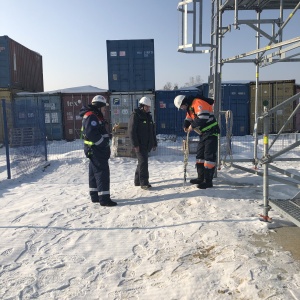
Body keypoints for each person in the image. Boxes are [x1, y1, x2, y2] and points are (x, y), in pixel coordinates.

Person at [174, 94, 220, 189]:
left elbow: (203, 117)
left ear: (184, 103)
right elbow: (188, 118)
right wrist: (185, 125)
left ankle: (208, 181)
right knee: (200, 156)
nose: (182, 108)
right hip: (204, 134)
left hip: (211, 132)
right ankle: (201, 177)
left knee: (208, 157)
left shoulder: (197, 102)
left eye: (182, 106)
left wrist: (192, 126)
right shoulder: (190, 107)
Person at [79, 95, 117, 206]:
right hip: (97, 150)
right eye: (104, 107)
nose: (105, 109)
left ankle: (95, 196)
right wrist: (103, 144)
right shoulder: (92, 116)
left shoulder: (94, 115)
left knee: (94, 173)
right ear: (99, 106)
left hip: (94, 150)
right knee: (102, 173)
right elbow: (91, 134)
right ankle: (104, 199)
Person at [128, 96, 157, 190]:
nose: (148, 108)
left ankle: (137, 181)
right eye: (146, 106)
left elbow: (152, 131)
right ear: (142, 106)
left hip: (147, 144)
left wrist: (154, 143)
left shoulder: (148, 116)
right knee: (143, 162)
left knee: (141, 162)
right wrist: (135, 145)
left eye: (149, 107)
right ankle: (144, 182)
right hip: (139, 145)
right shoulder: (136, 115)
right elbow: (131, 131)